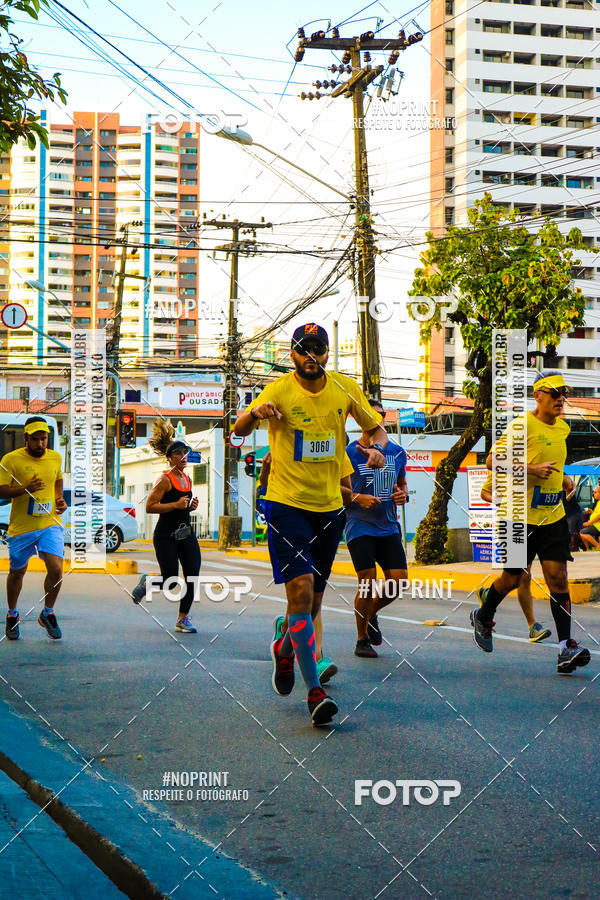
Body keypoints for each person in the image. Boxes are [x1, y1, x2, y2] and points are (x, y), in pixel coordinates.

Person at [233, 322, 388, 726]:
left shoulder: (343, 387)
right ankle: (314, 692)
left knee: (313, 603)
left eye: (317, 349)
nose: (310, 356)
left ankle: (285, 648)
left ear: (326, 354)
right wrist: (255, 412)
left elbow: (376, 428)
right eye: (303, 349)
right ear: (293, 356)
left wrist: (377, 449)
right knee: (299, 594)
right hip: (286, 505)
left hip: (329, 508)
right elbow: (237, 431)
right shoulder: (280, 389)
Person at [471, 372, 590, 675]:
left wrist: (561, 477)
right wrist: (530, 468)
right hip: (518, 516)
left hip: (553, 517)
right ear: (537, 396)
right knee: (512, 578)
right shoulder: (521, 426)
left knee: (558, 578)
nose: (560, 399)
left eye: (564, 393)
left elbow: (554, 461)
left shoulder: (563, 428)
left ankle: (565, 648)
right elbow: (490, 462)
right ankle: (483, 616)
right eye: (554, 393)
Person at [259, 450, 338, 685]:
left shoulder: (332, 446)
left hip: (325, 521)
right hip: (293, 524)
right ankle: (317, 659)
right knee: (305, 590)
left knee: (309, 602)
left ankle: (284, 634)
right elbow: (266, 482)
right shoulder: (286, 445)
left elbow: (344, 485)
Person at [342, 399, 409, 658]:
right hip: (359, 525)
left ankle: (371, 615)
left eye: (379, 414)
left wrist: (403, 495)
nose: (375, 419)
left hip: (389, 526)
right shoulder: (348, 451)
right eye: (369, 414)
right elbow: (339, 489)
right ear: (360, 419)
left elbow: (402, 483)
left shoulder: (397, 452)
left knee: (398, 582)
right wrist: (359, 498)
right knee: (367, 582)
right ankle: (361, 640)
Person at [0, 416, 67, 641]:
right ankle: (12, 614)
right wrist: (24, 488)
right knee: (17, 572)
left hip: (49, 523)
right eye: (36, 439)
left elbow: (58, 480)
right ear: (26, 438)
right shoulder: (10, 460)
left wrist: (59, 499)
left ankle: (48, 613)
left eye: (44, 439)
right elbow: (1, 491)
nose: (41, 444)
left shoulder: (55, 457)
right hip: (22, 527)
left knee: (56, 569)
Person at [131, 421, 201, 633]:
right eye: (179, 454)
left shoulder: (187, 479)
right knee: (170, 580)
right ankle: (148, 583)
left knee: (192, 575)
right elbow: (150, 507)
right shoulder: (164, 479)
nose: (183, 457)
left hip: (185, 534)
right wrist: (176, 505)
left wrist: (189, 507)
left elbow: (181, 507)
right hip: (165, 536)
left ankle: (183, 619)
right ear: (169, 458)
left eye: (185, 453)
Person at [479, 472, 551, 643]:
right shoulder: (506, 465)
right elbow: (484, 492)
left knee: (525, 577)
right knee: (519, 577)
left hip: (534, 523)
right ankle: (532, 625)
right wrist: (500, 501)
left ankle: (531, 625)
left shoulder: (539, 462)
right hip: (512, 524)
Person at [579, 483, 600, 550]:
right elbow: (597, 513)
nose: (594, 494)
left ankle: (597, 546)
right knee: (582, 531)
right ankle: (587, 549)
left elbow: (599, 516)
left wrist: (589, 523)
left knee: (582, 532)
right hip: (595, 524)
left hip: (597, 525)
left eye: (595, 492)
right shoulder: (598, 502)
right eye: (593, 492)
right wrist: (592, 512)